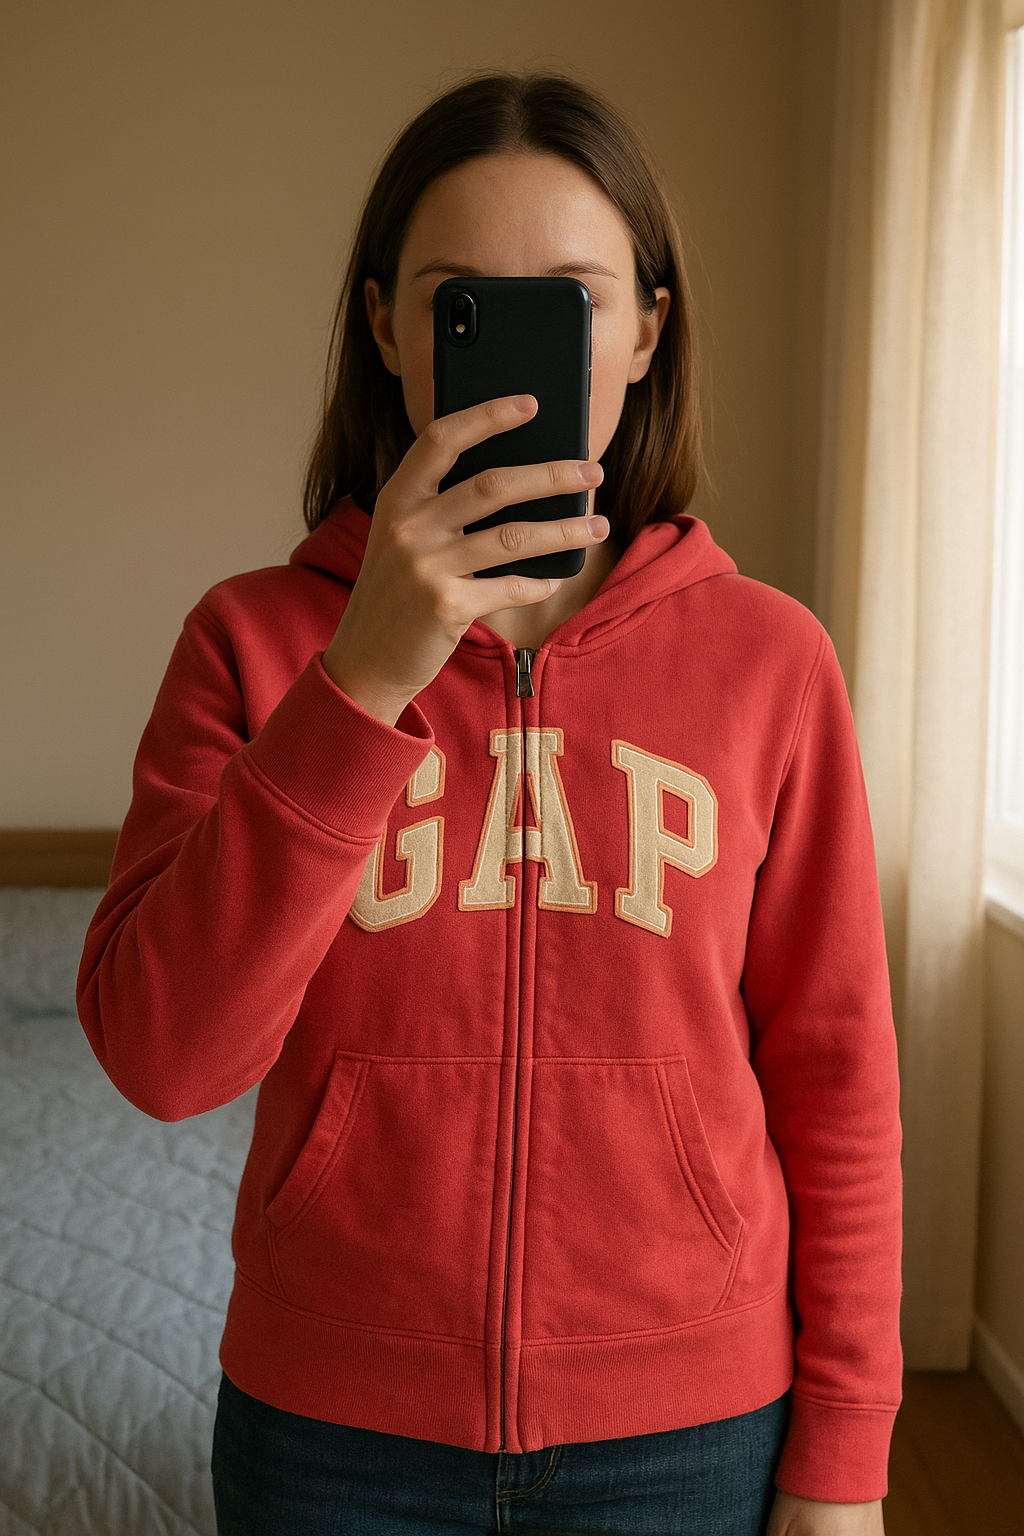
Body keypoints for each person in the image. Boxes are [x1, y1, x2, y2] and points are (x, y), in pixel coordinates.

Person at [77, 70, 902, 1536]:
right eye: (464, 304)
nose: (524, 355)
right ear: (388, 327)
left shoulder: (771, 663)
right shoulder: (251, 643)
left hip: (690, 1428)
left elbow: (838, 1078)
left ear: (646, 330)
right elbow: (164, 1057)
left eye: (573, 301)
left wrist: (846, 1454)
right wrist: (361, 682)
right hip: (332, 1437)